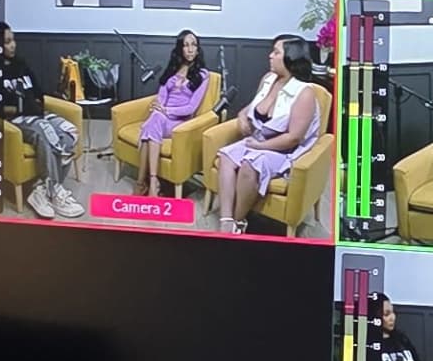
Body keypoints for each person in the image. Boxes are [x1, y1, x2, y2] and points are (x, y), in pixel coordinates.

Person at [209, 35, 329, 233]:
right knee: (226, 156)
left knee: (249, 165)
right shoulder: (268, 79)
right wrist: (241, 116)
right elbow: (252, 107)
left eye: (276, 52)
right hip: (259, 140)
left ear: (290, 57)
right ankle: (226, 220)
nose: (270, 56)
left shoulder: (305, 93)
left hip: (285, 151)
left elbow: (293, 137)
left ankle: (239, 221)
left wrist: (259, 147)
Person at [0, 23, 87, 219]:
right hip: (14, 121)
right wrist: (22, 108)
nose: (13, 45)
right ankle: (54, 190)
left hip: (37, 114)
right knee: (45, 132)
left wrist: (37, 105)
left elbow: (39, 94)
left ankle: (40, 191)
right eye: (7, 42)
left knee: (69, 132)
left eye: (13, 40)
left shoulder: (21, 64)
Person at [132, 30, 214, 198]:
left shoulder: (203, 75)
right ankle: (152, 181)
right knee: (154, 120)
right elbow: (162, 97)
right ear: (180, 49)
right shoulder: (172, 70)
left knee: (151, 125)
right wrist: (158, 108)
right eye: (186, 45)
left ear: (198, 49)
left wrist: (165, 110)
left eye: (193, 45)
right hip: (161, 118)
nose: (190, 49)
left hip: (180, 122)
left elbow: (191, 108)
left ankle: (143, 182)